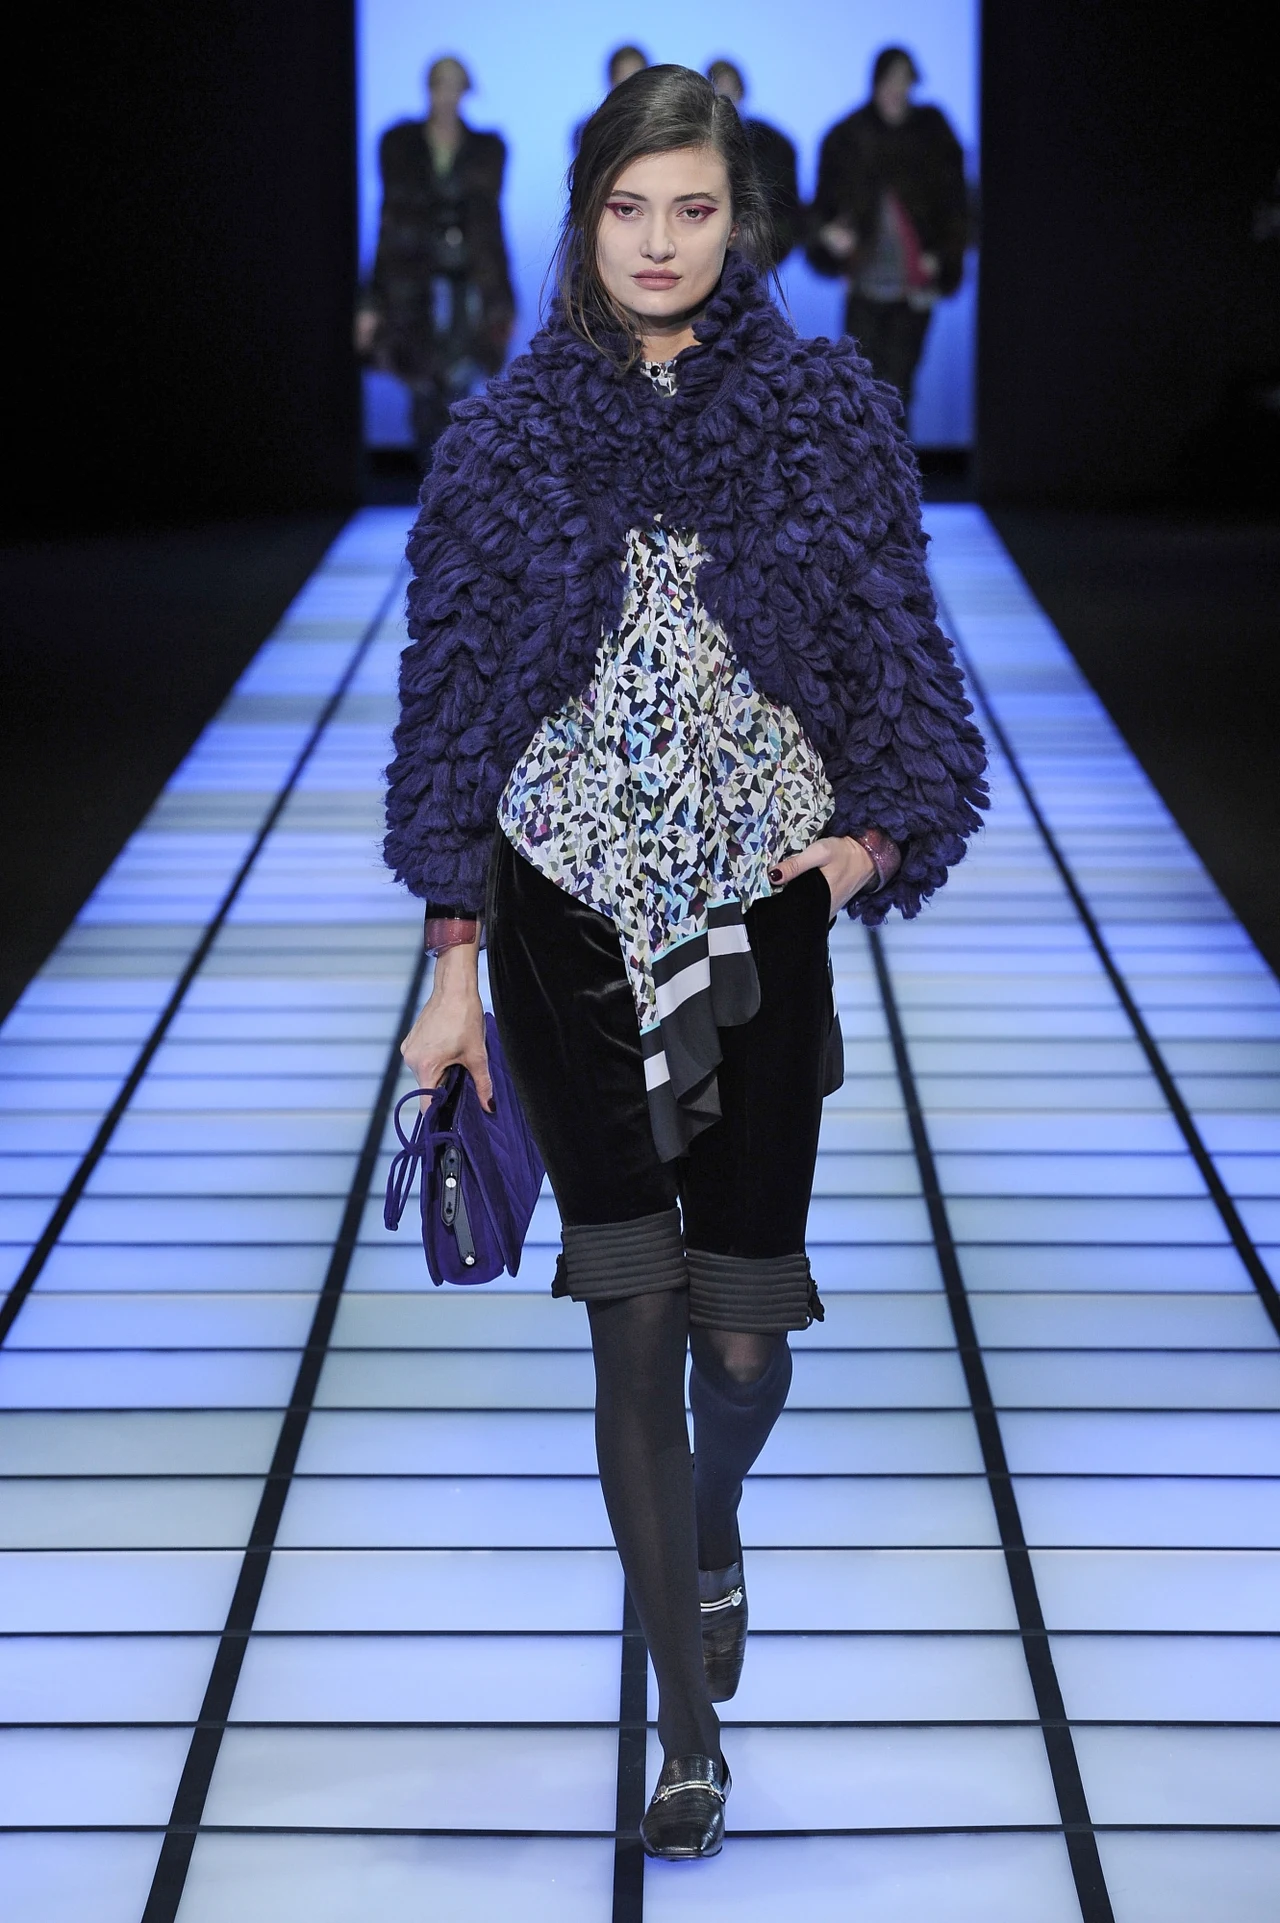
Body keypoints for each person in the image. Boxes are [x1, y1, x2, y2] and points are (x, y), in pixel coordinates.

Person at [385, 66, 986, 1860]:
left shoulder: (825, 413)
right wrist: (451, 961)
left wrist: (872, 843)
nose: (659, 244)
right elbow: (449, 716)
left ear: (742, 221)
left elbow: (905, 662)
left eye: (694, 210)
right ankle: (687, 1730)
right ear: (585, 217)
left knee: (740, 1347)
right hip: (561, 906)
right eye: (630, 210)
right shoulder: (504, 437)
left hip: (756, 919)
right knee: (633, 1323)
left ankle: (713, 1525)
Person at [356, 56, 514, 468]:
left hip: (467, 284)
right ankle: (430, 486)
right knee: (422, 387)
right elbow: (389, 225)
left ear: (466, 91)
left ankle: (451, 486)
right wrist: (370, 302)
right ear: (429, 88)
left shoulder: (485, 151)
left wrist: (502, 301)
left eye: (455, 84)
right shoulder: (401, 146)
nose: (447, 93)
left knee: (460, 385)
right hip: (411, 285)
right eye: (441, 83)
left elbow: (491, 230)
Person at [809, 46, 968, 413]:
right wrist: (830, 236)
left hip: (914, 285)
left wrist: (941, 254)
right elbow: (824, 207)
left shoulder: (933, 135)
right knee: (859, 388)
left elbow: (955, 205)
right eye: (890, 80)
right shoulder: (848, 137)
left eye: (904, 80)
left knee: (899, 389)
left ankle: (894, 451)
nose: (897, 89)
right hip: (863, 282)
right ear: (876, 83)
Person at [706, 58, 803, 268]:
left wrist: (766, 231)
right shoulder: (693, 146)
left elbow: (788, 209)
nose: (725, 96)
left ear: (741, 92)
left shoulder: (774, 145)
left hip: (760, 244)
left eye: (730, 89)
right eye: (718, 89)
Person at [572, 43, 649, 152]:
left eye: (635, 75)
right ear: (611, 79)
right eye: (623, 75)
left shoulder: (662, 126)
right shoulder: (588, 131)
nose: (629, 83)